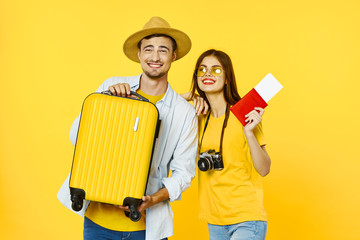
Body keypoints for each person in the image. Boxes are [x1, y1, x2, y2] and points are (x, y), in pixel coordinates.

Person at [62, 17, 198, 240]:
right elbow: (75, 136)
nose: (155, 57)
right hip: (97, 223)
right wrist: (107, 101)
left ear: (173, 56)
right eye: (149, 49)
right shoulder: (111, 86)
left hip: (147, 227)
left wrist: (152, 200)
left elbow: (184, 173)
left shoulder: (184, 113)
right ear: (139, 53)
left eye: (163, 50)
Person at [186, 49, 271, 240]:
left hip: (246, 217)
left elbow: (264, 169)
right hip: (215, 221)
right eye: (202, 70)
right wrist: (189, 96)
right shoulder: (196, 118)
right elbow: (161, 106)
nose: (207, 74)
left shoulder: (244, 114)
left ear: (226, 79)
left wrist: (249, 132)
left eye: (216, 70)